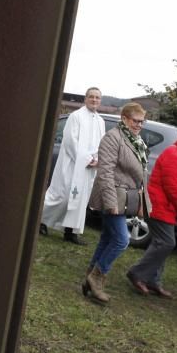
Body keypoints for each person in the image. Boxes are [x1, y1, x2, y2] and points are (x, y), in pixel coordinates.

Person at [82, 103, 150, 304]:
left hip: (126, 197)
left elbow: (142, 175)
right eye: (135, 121)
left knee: (107, 238)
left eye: (141, 121)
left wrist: (143, 201)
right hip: (111, 196)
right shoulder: (113, 138)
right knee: (121, 240)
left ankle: (90, 278)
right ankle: (97, 277)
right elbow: (105, 172)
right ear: (124, 119)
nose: (139, 125)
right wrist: (111, 202)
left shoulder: (136, 141)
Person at [126, 124, 177, 299]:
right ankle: (137, 273)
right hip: (158, 205)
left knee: (161, 243)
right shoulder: (174, 155)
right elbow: (173, 190)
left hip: (167, 207)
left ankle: (153, 280)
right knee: (166, 243)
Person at [40, 87, 106, 244]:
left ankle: (70, 232)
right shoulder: (76, 117)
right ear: (85, 99)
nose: (94, 100)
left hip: (88, 168)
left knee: (81, 200)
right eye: (91, 97)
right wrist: (86, 159)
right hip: (71, 164)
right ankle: (40, 220)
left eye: (97, 97)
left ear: (100, 101)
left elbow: (102, 143)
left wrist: (97, 159)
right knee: (62, 196)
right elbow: (70, 141)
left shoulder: (100, 121)